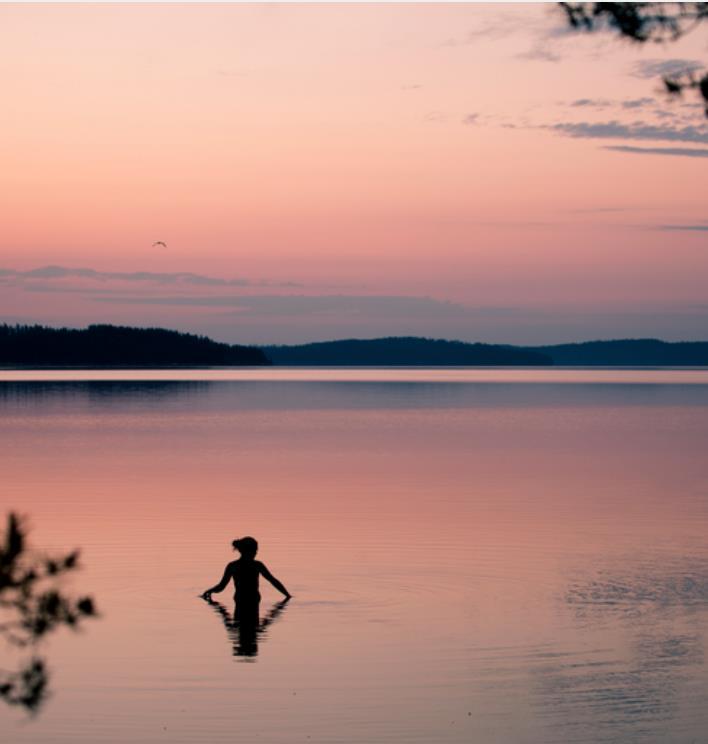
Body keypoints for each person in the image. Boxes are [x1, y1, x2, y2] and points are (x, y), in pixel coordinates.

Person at [201, 536, 291, 605]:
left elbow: (221, 587)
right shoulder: (257, 565)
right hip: (252, 599)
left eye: (256, 550)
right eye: (254, 550)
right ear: (244, 551)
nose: (256, 553)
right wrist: (287, 596)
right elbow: (273, 581)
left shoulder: (233, 566)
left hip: (241, 599)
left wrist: (209, 591)